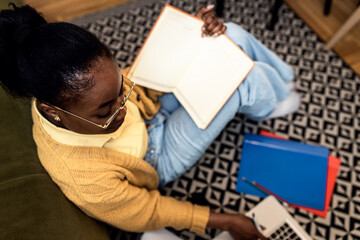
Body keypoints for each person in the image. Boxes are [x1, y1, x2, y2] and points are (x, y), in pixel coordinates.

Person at [0, 3, 300, 240]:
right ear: (52, 111)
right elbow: (148, 211)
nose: (122, 109)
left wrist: (193, 41)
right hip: (155, 157)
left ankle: (282, 82)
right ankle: (275, 102)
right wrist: (227, 221)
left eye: (120, 91)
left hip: (151, 111)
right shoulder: (83, 178)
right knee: (242, 80)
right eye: (104, 111)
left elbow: (137, 86)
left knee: (228, 36)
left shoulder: (83, 92)